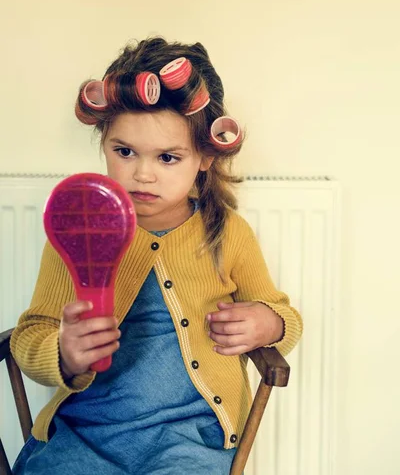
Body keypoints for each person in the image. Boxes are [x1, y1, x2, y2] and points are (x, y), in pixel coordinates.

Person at [11, 37, 303, 475]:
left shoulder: (228, 235)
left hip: (189, 436)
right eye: (124, 151)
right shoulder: (78, 229)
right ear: (103, 141)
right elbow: (31, 333)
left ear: (205, 156)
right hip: (88, 431)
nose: (142, 174)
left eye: (168, 157)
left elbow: (285, 317)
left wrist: (268, 323)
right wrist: (63, 352)